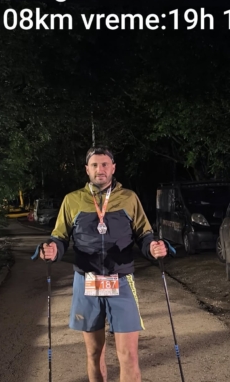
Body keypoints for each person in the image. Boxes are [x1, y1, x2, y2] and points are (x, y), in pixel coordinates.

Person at [35, 146, 174, 382]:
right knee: (94, 353)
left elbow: (144, 234)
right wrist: (51, 250)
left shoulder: (129, 198)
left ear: (113, 168)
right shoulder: (72, 200)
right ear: (87, 169)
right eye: (95, 165)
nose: (100, 169)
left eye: (105, 164)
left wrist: (153, 247)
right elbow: (59, 237)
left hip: (121, 280)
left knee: (129, 355)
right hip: (86, 281)